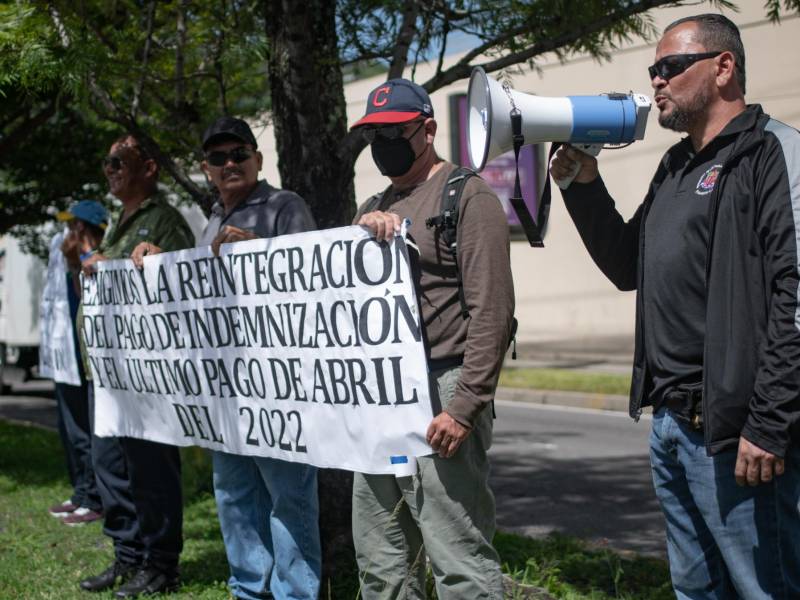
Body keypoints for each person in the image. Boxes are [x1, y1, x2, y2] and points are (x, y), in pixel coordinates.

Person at [550, 13, 800, 599]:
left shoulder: (772, 154)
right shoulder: (676, 166)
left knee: (765, 588)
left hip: (737, 433)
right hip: (671, 425)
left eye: (670, 67)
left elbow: (796, 299)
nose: (656, 81)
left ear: (723, 67)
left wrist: (767, 423)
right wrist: (583, 185)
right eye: (652, 70)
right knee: (696, 589)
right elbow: (627, 266)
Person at [131, 116, 321, 600]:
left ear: (258, 159)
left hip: (279, 387)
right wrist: (159, 260)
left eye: (239, 154)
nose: (230, 163)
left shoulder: (285, 205)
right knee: (234, 495)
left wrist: (260, 253)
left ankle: (295, 594)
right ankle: (247, 590)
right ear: (206, 168)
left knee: (288, 499)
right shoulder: (211, 220)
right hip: (227, 389)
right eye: (218, 158)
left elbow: (312, 283)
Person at [349, 78, 514, 599]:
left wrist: (464, 407)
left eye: (393, 131)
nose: (382, 144)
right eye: (373, 134)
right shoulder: (374, 204)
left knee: (456, 556)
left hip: (442, 392)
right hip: (381, 400)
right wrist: (361, 231)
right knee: (382, 556)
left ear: (427, 129)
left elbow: (493, 311)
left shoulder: (468, 196)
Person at [78, 134, 194, 597]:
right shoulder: (118, 223)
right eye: (106, 163)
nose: (110, 170)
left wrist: (154, 261)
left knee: (151, 472)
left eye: (118, 162)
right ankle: (128, 557)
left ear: (149, 168)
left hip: (148, 378)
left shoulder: (164, 220)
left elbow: (184, 283)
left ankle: (162, 564)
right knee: (110, 467)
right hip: (110, 374)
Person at [45, 201, 107, 526]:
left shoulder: (98, 255)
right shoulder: (68, 257)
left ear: (86, 228)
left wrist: (81, 257)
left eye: (73, 226)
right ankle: (81, 491)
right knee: (70, 428)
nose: (67, 233)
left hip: (86, 357)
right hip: (64, 355)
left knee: (87, 430)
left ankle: (94, 496)